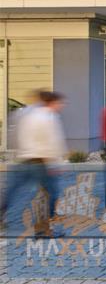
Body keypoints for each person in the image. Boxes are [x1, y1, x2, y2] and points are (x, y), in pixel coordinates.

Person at [0, 91, 67, 237]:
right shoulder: (49, 117)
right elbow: (53, 142)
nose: (61, 106)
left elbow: (16, 136)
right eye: (60, 103)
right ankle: (43, 230)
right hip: (41, 161)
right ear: (52, 102)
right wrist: (56, 162)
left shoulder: (27, 115)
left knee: (13, 189)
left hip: (26, 159)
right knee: (50, 193)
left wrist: (21, 153)